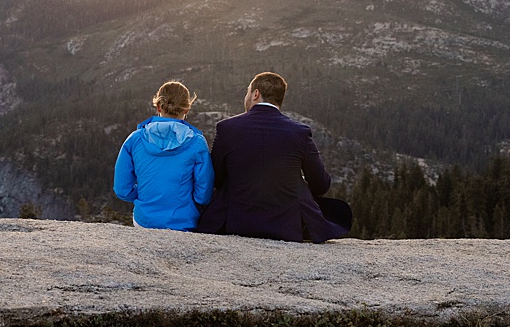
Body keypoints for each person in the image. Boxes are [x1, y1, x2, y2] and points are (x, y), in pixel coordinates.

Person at [194, 72, 350, 243]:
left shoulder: (227, 128)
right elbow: (321, 185)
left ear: (255, 94)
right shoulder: (299, 132)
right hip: (286, 226)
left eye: (247, 92)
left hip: (236, 222)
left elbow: (217, 179)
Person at [112, 80, 213, 230]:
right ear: (186, 109)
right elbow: (203, 194)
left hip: (144, 221)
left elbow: (122, 189)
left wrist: (144, 195)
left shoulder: (135, 139)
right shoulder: (197, 143)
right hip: (183, 222)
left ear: (158, 106)